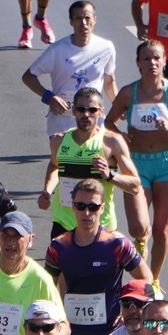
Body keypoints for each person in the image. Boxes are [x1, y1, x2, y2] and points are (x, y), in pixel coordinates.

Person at [105, 40, 168, 284]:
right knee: (138, 227)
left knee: (161, 229)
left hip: (167, 164)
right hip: (136, 164)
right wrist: (120, 136)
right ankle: (139, 243)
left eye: (157, 58)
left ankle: (152, 282)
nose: (152, 63)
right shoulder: (129, 93)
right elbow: (108, 122)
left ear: (165, 61)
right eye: (146, 59)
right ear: (138, 63)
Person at [44, 173, 148, 335]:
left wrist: (127, 306)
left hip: (109, 334)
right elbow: (47, 287)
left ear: (102, 208)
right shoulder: (58, 246)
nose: (86, 213)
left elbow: (146, 278)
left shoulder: (117, 244)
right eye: (81, 206)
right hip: (71, 334)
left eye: (93, 207)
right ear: (72, 206)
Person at [39, 86, 142, 245]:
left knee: (100, 271)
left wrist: (109, 175)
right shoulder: (58, 141)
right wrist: (47, 190)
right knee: (58, 270)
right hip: (63, 223)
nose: (86, 114)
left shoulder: (111, 142)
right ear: (74, 111)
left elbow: (134, 185)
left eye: (92, 110)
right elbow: (54, 165)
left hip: (101, 226)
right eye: (81, 109)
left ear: (101, 112)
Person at [22, 0, 116, 145]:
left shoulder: (106, 48)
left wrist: (119, 107)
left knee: (93, 163)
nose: (84, 23)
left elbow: (109, 82)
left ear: (94, 20)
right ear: (71, 22)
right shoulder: (57, 50)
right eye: (78, 18)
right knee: (64, 165)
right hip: (63, 120)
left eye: (87, 18)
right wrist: (49, 97)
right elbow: (28, 77)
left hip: (92, 117)